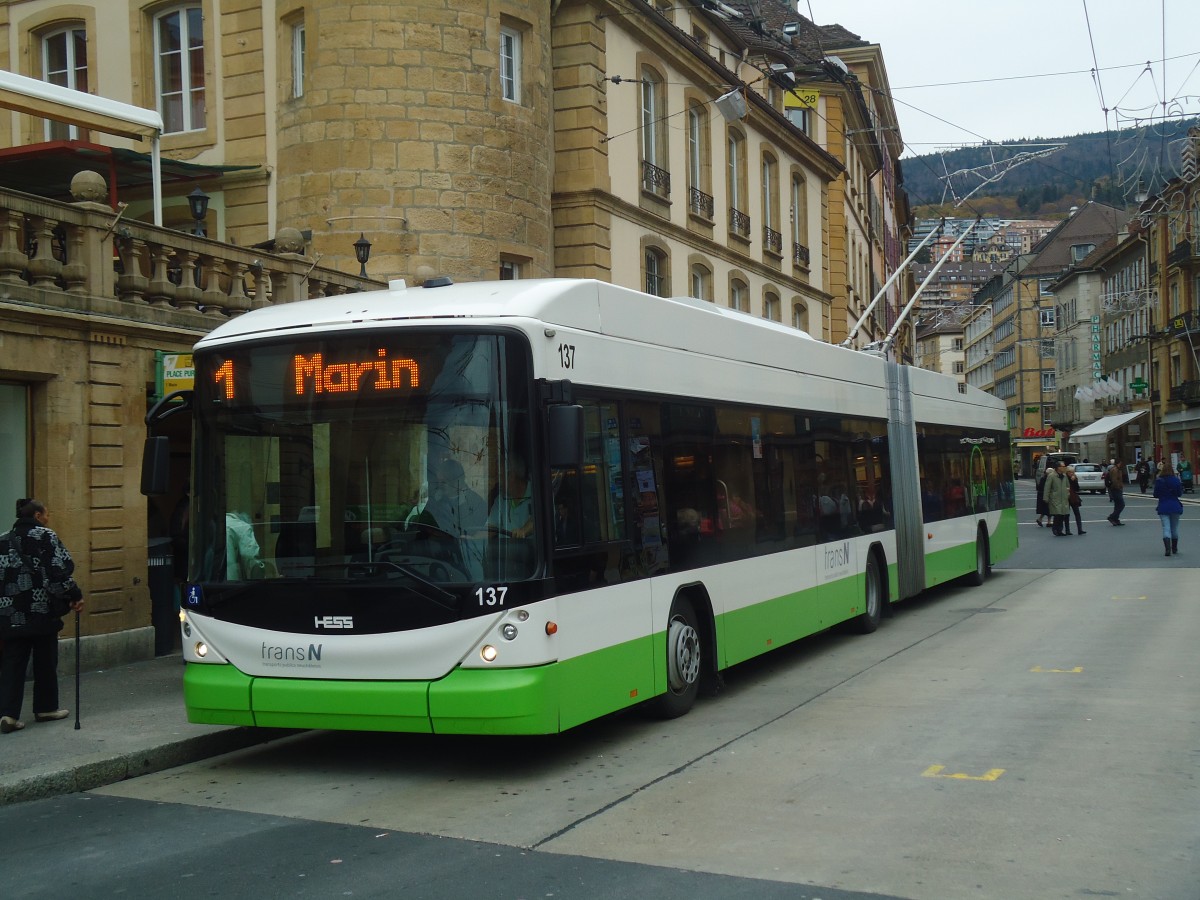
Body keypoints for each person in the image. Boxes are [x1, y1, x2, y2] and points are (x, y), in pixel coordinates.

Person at [0, 499, 85, 733]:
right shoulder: (46, 536)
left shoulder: (3, 539)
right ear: (37, 515)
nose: (48, 518)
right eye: (46, 514)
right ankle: (46, 708)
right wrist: (74, 595)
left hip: (11, 613)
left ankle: (8, 714)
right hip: (41, 610)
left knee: (12, 663)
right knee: (45, 661)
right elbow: (58, 571)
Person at [1153, 462, 1184, 556]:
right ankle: (1174, 548)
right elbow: (1179, 494)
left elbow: (1155, 494)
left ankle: (1167, 549)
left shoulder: (1159, 481)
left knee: (1166, 527)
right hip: (1175, 506)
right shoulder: (1176, 480)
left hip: (1163, 506)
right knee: (1174, 528)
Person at [1042, 461, 1071, 536]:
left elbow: (1068, 486)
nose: (1064, 468)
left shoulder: (1064, 476)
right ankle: (1055, 528)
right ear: (1058, 468)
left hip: (1063, 498)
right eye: (1063, 466)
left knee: (1062, 514)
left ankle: (1060, 530)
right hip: (1055, 498)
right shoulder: (1052, 476)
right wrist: (1046, 497)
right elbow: (1047, 487)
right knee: (1057, 514)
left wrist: (1068, 493)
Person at [1105, 458, 1127, 526]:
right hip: (1116, 489)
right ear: (1119, 463)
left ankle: (1116, 519)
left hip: (1116, 489)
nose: (1122, 464)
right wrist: (1118, 487)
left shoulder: (1117, 469)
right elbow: (1114, 480)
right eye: (1121, 463)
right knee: (1121, 504)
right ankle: (1112, 517)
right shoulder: (1115, 470)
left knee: (1117, 505)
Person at [1065, 466, 1086, 535]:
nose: (1071, 473)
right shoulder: (1065, 478)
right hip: (1066, 497)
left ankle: (1080, 529)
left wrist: (1074, 480)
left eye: (1072, 472)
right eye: (1070, 472)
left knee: (1077, 513)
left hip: (1073, 497)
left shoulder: (1074, 478)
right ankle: (1067, 530)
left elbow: (1077, 488)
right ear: (1067, 472)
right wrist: (1071, 480)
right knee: (1066, 514)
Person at [1035, 462, 1053, 528]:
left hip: (1042, 495)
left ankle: (1041, 519)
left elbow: (1039, 487)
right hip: (1045, 495)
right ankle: (1048, 521)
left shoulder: (1043, 478)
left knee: (1045, 509)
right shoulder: (1047, 479)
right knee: (1048, 509)